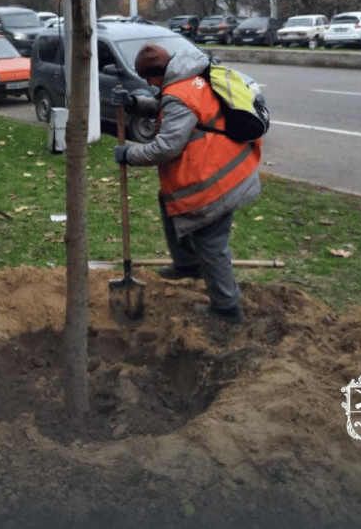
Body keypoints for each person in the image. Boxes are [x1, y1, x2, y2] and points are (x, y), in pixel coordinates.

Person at [111, 44, 264, 324]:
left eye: (148, 79)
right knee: (167, 199)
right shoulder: (190, 77)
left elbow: (166, 147)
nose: (149, 85)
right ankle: (187, 264)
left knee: (210, 242)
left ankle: (227, 308)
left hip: (217, 183)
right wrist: (135, 104)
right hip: (227, 168)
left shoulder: (180, 93)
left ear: (158, 73)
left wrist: (129, 155)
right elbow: (167, 107)